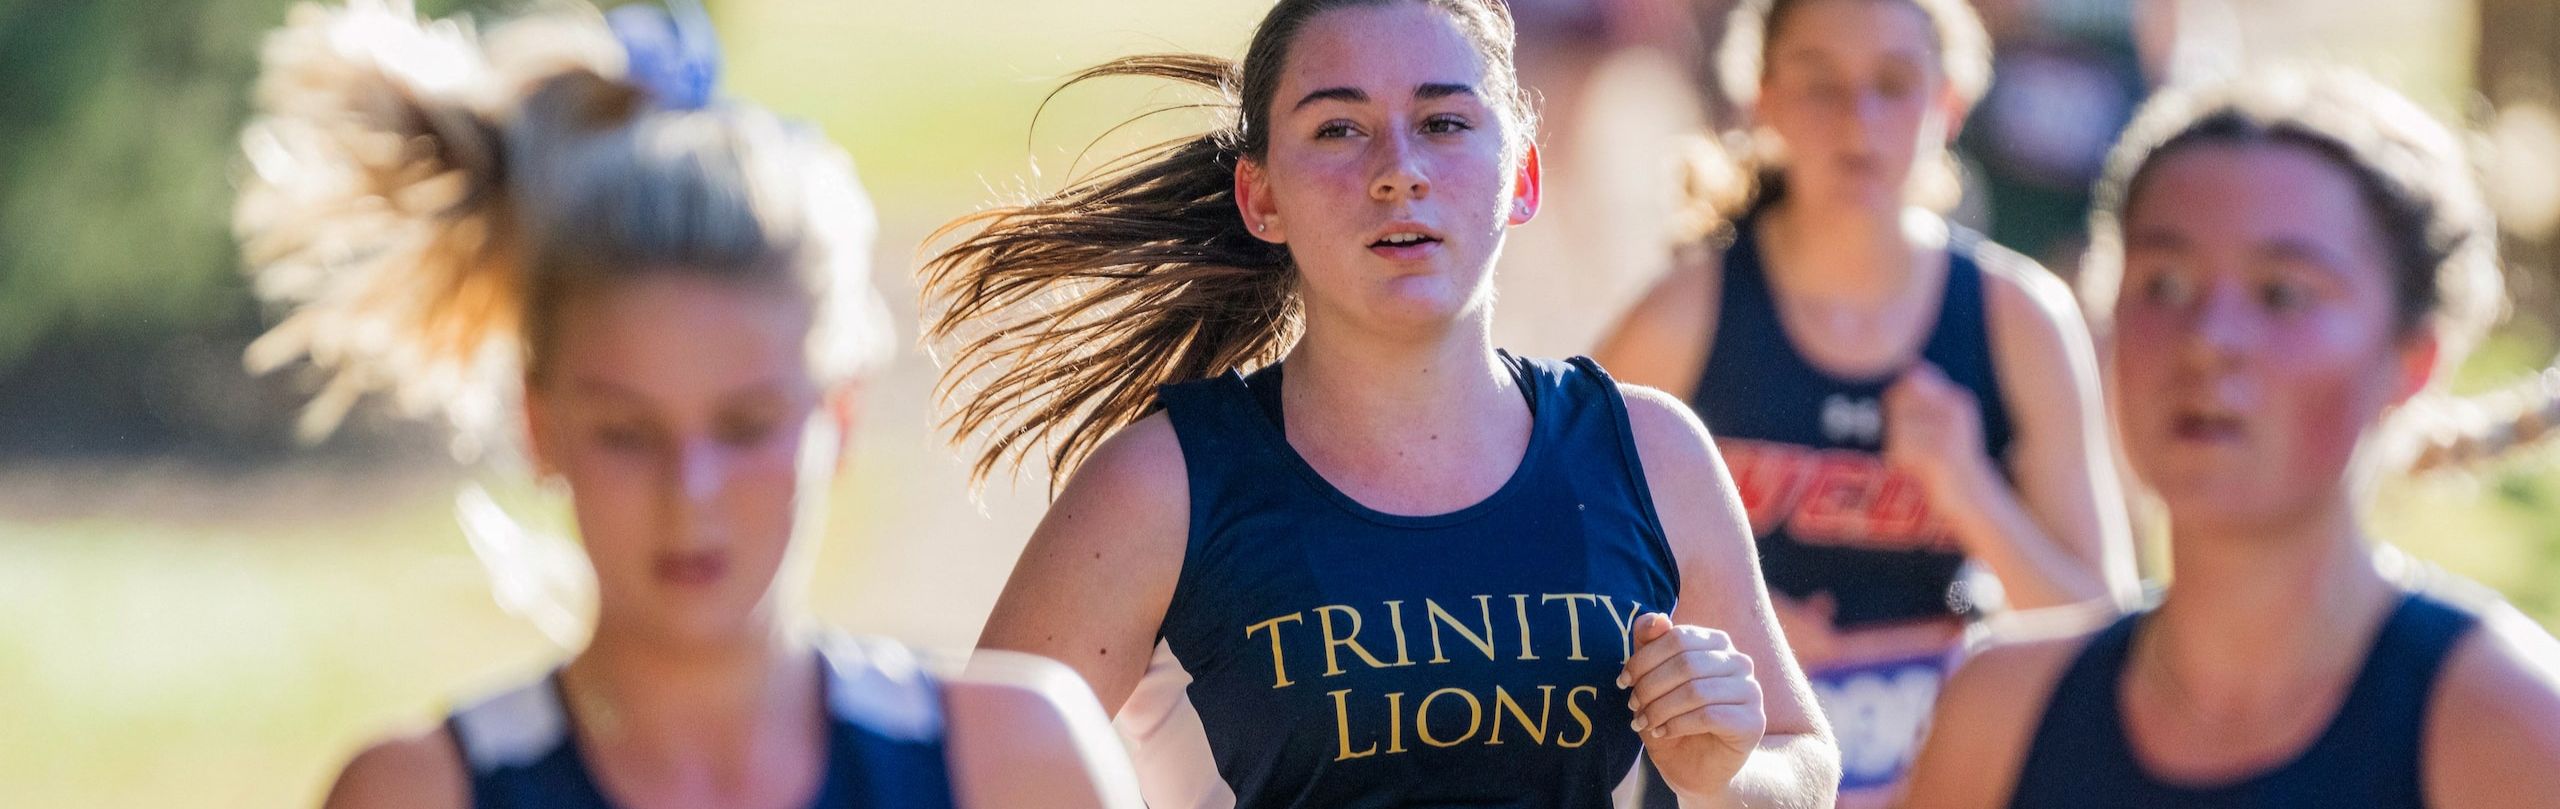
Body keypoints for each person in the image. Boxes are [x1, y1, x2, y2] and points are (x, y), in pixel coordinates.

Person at [916, 0, 1838, 806]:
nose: (1398, 169)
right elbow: (964, 774)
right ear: (1259, 195)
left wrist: (1726, 774)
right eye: (1337, 129)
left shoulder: (1650, 450)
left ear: (1521, 178)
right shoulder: (1165, 484)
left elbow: (1804, 767)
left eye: (1443, 122)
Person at [233, 2, 1139, 806]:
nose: (691, 489)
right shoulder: (416, 791)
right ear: (539, 427)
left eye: (745, 426)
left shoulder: (1017, 764)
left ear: (841, 414)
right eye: (627, 433)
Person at [1902, 69, 2560, 809]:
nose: (2208, 341)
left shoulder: (2509, 732)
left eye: (2282, 293)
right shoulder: (1998, 715)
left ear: (2414, 359)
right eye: (2165, 284)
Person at [1591, 0, 2135, 802]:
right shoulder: (1688, 310)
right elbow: (1558, 549)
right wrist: (1742, 619)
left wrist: (1970, 489)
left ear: (1949, 104)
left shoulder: (2019, 320)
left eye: (1893, 82)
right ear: (1763, 99)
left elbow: (2100, 628)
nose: (1859, 118)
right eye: (1821, 85)